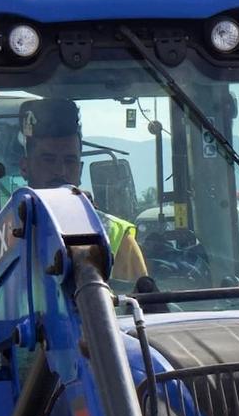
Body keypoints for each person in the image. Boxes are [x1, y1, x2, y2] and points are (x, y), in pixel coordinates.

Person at [18, 98, 152, 289]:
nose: (61, 171)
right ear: (25, 167)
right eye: (48, 160)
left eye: (70, 161)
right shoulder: (4, 238)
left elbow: (138, 311)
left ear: (80, 170)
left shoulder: (115, 237)